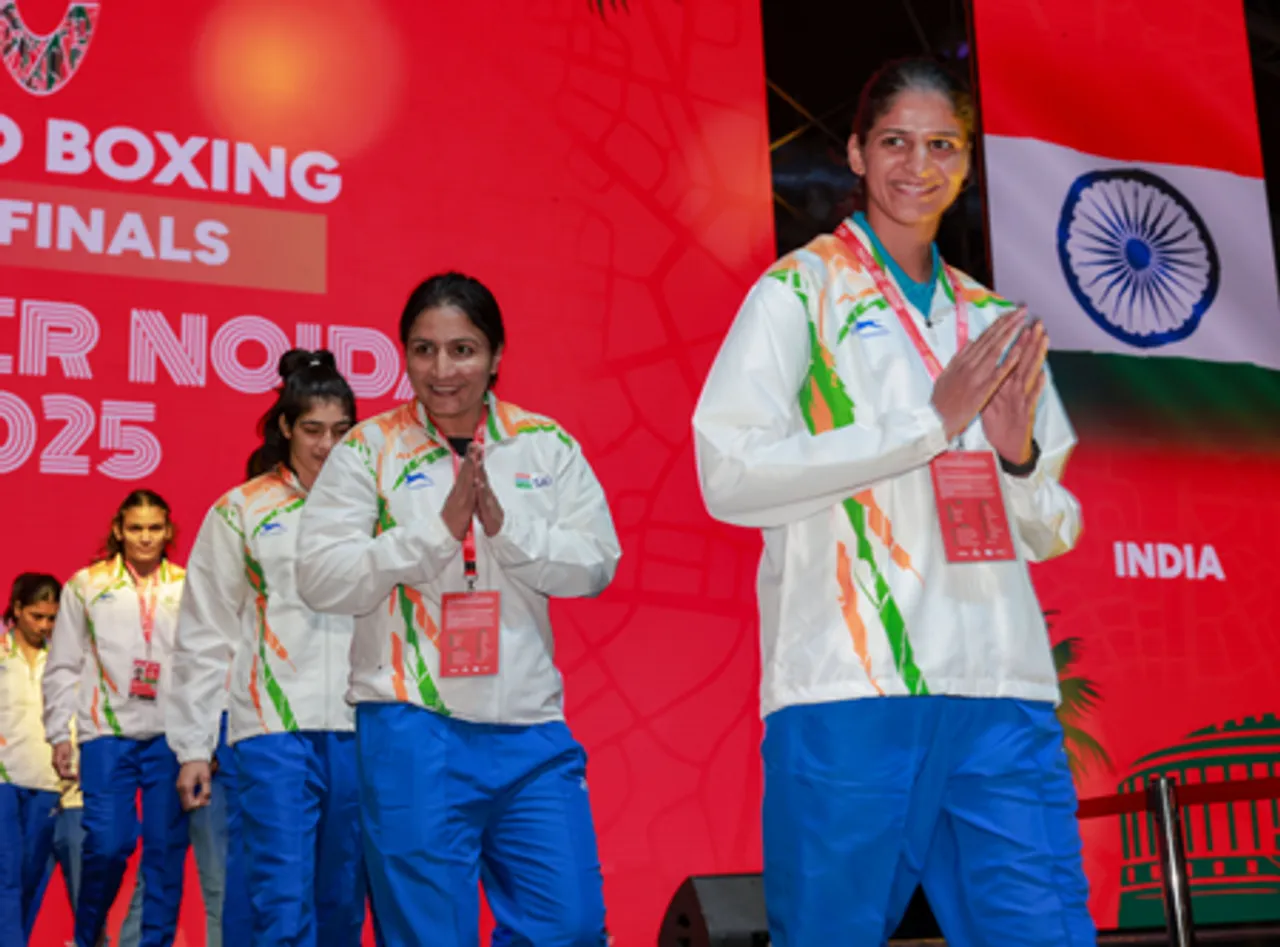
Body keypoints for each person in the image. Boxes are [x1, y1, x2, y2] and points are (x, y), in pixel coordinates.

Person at [692, 58, 1093, 946]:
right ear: (856, 154)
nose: (920, 165)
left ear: (968, 161)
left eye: (942, 144)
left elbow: (1052, 523)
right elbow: (729, 472)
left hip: (1000, 683)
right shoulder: (798, 291)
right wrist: (927, 424)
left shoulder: (997, 321)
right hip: (850, 680)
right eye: (896, 143)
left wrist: (1017, 455)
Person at [295, 272, 621, 947]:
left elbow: (596, 562)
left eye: (463, 350)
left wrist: (506, 529)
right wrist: (433, 534)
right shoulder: (367, 450)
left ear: (497, 355)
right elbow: (323, 578)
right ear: (405, 354)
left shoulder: (545, 444)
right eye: (424, 349)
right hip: (414, 725)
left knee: (572, 925)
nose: (443, 370)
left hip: (531, 728)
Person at [165, 348, 370, 946]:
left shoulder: (376, 509)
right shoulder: (242, 510)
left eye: (340, 431)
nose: (327, 446)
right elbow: (205, 631)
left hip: (361, 727)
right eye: (312, 430)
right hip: (272, 728)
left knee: (342, 899)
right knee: (279, 899)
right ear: (285, 427)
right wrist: (194, 746)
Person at [43, 491, 190, 947]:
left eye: (154, 528)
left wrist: (204, 739)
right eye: (136, 528)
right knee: (109, 845)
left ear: (168, 531)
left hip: (171, 738)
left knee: (165, 854)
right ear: (119, 531)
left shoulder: (188, 585)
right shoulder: (86, 585)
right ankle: (88, 935)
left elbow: (206, 661)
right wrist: (58, 733)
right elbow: (63, 664)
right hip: (106, 735)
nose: (145, 538)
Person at [0, 573, 62, 945]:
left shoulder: (64, 660)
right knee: (5, 874)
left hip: (48, 779)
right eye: (36, 616)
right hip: (3, 779)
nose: (44, 626)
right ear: (17, 609)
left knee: (31, 875)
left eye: (51, 618)